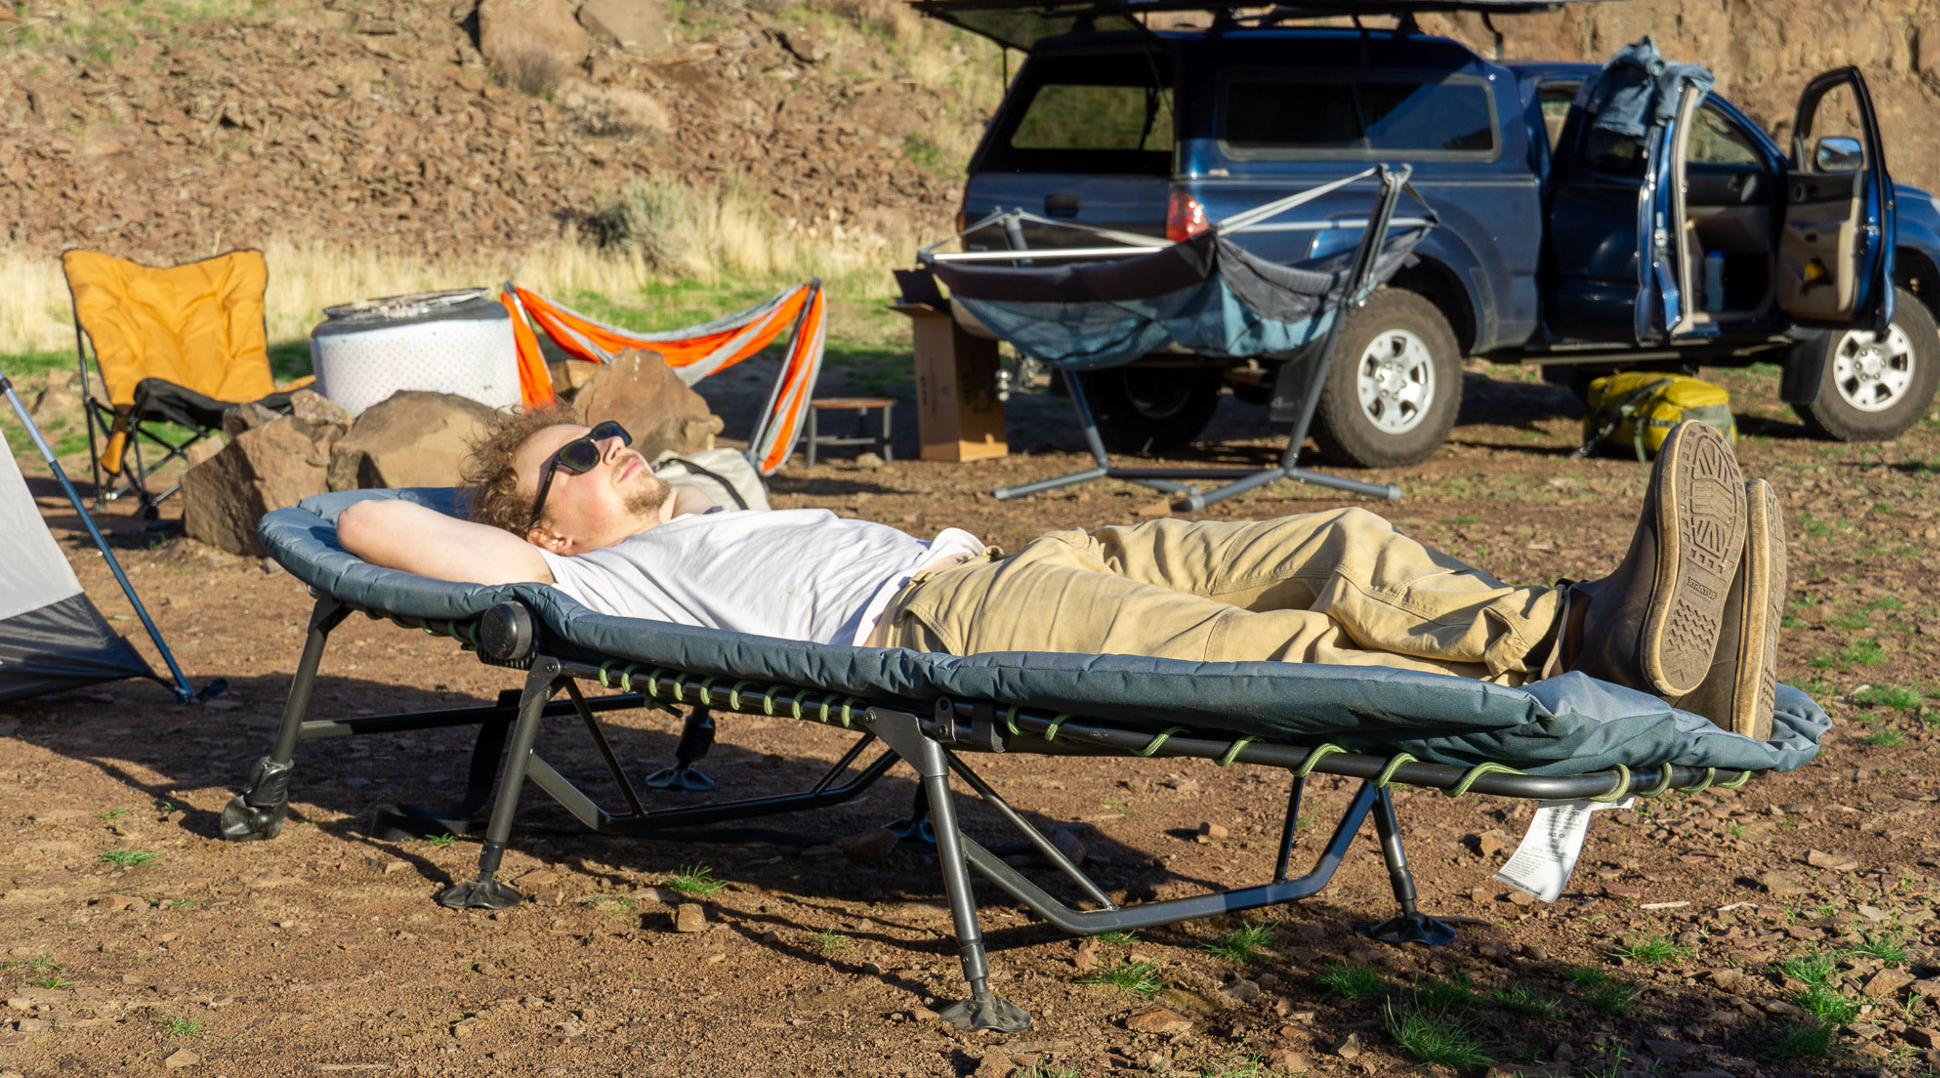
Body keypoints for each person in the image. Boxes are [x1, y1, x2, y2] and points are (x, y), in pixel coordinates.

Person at [336, 409, 1785, 740]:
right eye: (582, 451)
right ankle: (1593, 698)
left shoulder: (692, 510)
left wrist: (643, 475)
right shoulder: (602, 585)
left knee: (1337, 542)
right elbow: (367, 529)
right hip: (948, 622)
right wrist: (497, 524)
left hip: (1015, 559)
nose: (619, 441)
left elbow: (684, 459)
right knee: (1251, 647)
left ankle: (1596, 624)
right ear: (543, 530)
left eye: (612, 428)